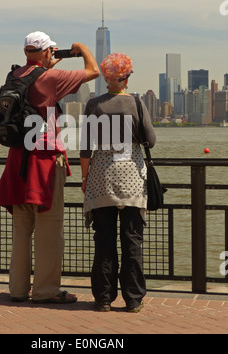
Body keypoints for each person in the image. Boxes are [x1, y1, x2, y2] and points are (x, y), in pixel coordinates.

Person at [0, 31, 100, 303]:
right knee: (49, 229)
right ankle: (45, 290)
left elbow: (34, 83)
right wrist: (82, 48)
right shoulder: (51, 78)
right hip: (44, 160)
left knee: (21, 229)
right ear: (47, 51)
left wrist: (44, 65)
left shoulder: (14, 76)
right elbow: (93, 71)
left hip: (17, 159)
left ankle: (17, 290)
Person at [80, 53, 156, 312]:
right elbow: (151, 139)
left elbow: (84, 147)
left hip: (101, 178)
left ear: (106, 77)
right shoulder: (136, 103)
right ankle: (133, 300)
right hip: (132, 178)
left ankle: (103, 299)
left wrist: (84, 177)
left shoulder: (93, 104)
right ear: (125, 78)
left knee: (104, 240)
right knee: (132, 239)